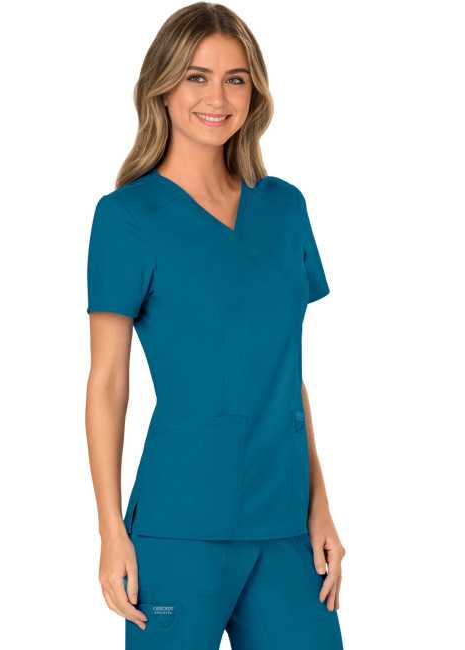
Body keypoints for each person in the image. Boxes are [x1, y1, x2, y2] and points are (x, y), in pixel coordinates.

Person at [85, 3, 346, 649]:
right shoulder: (126, 217)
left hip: (285, 524)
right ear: (162, 87)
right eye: (196, 77)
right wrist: (111, 530)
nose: (217, 97)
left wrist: (319, 505)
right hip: (179, 525)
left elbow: (287, 375)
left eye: (236, 79)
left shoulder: (284, 207)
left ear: (255, 92)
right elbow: (108, 384)